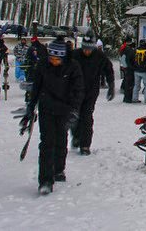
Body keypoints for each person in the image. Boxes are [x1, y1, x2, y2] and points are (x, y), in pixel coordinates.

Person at [22, 38, 84, 195]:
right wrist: (31, 106)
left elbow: (78, 90)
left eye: (57, 59)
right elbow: (36, 87)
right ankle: (45, 180)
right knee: (46, 143)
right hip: (46, 108)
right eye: (51, 58)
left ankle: (58, 169)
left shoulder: (73, 66)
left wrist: (75, 110)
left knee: (61, 140)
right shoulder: (43, 65)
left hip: (65, 108)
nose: (53, 61)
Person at [70, 34, 115, 155]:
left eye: (89, 49)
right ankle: (76, 135)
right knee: (74, 116)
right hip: (74, 91)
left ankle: (85, 145)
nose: (87, 51)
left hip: (91, 91)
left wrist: (111, 85)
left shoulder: (99, 56)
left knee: (87, 117)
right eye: (85, 49)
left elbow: (108, 69)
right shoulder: (74, 55)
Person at [131, 37, 146, 104]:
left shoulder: (136, 51)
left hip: (136, 71)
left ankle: (134, 98)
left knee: (136, 85)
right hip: (145, 71)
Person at [119, 36, 135, 103]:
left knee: (126, 81)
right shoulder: (129, 50)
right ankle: (128, 98)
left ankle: (126, 96)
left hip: (125, 67)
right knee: (129, 82)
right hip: (129, 68)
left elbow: (122, 57)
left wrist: (123, 66)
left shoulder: (124, 48)